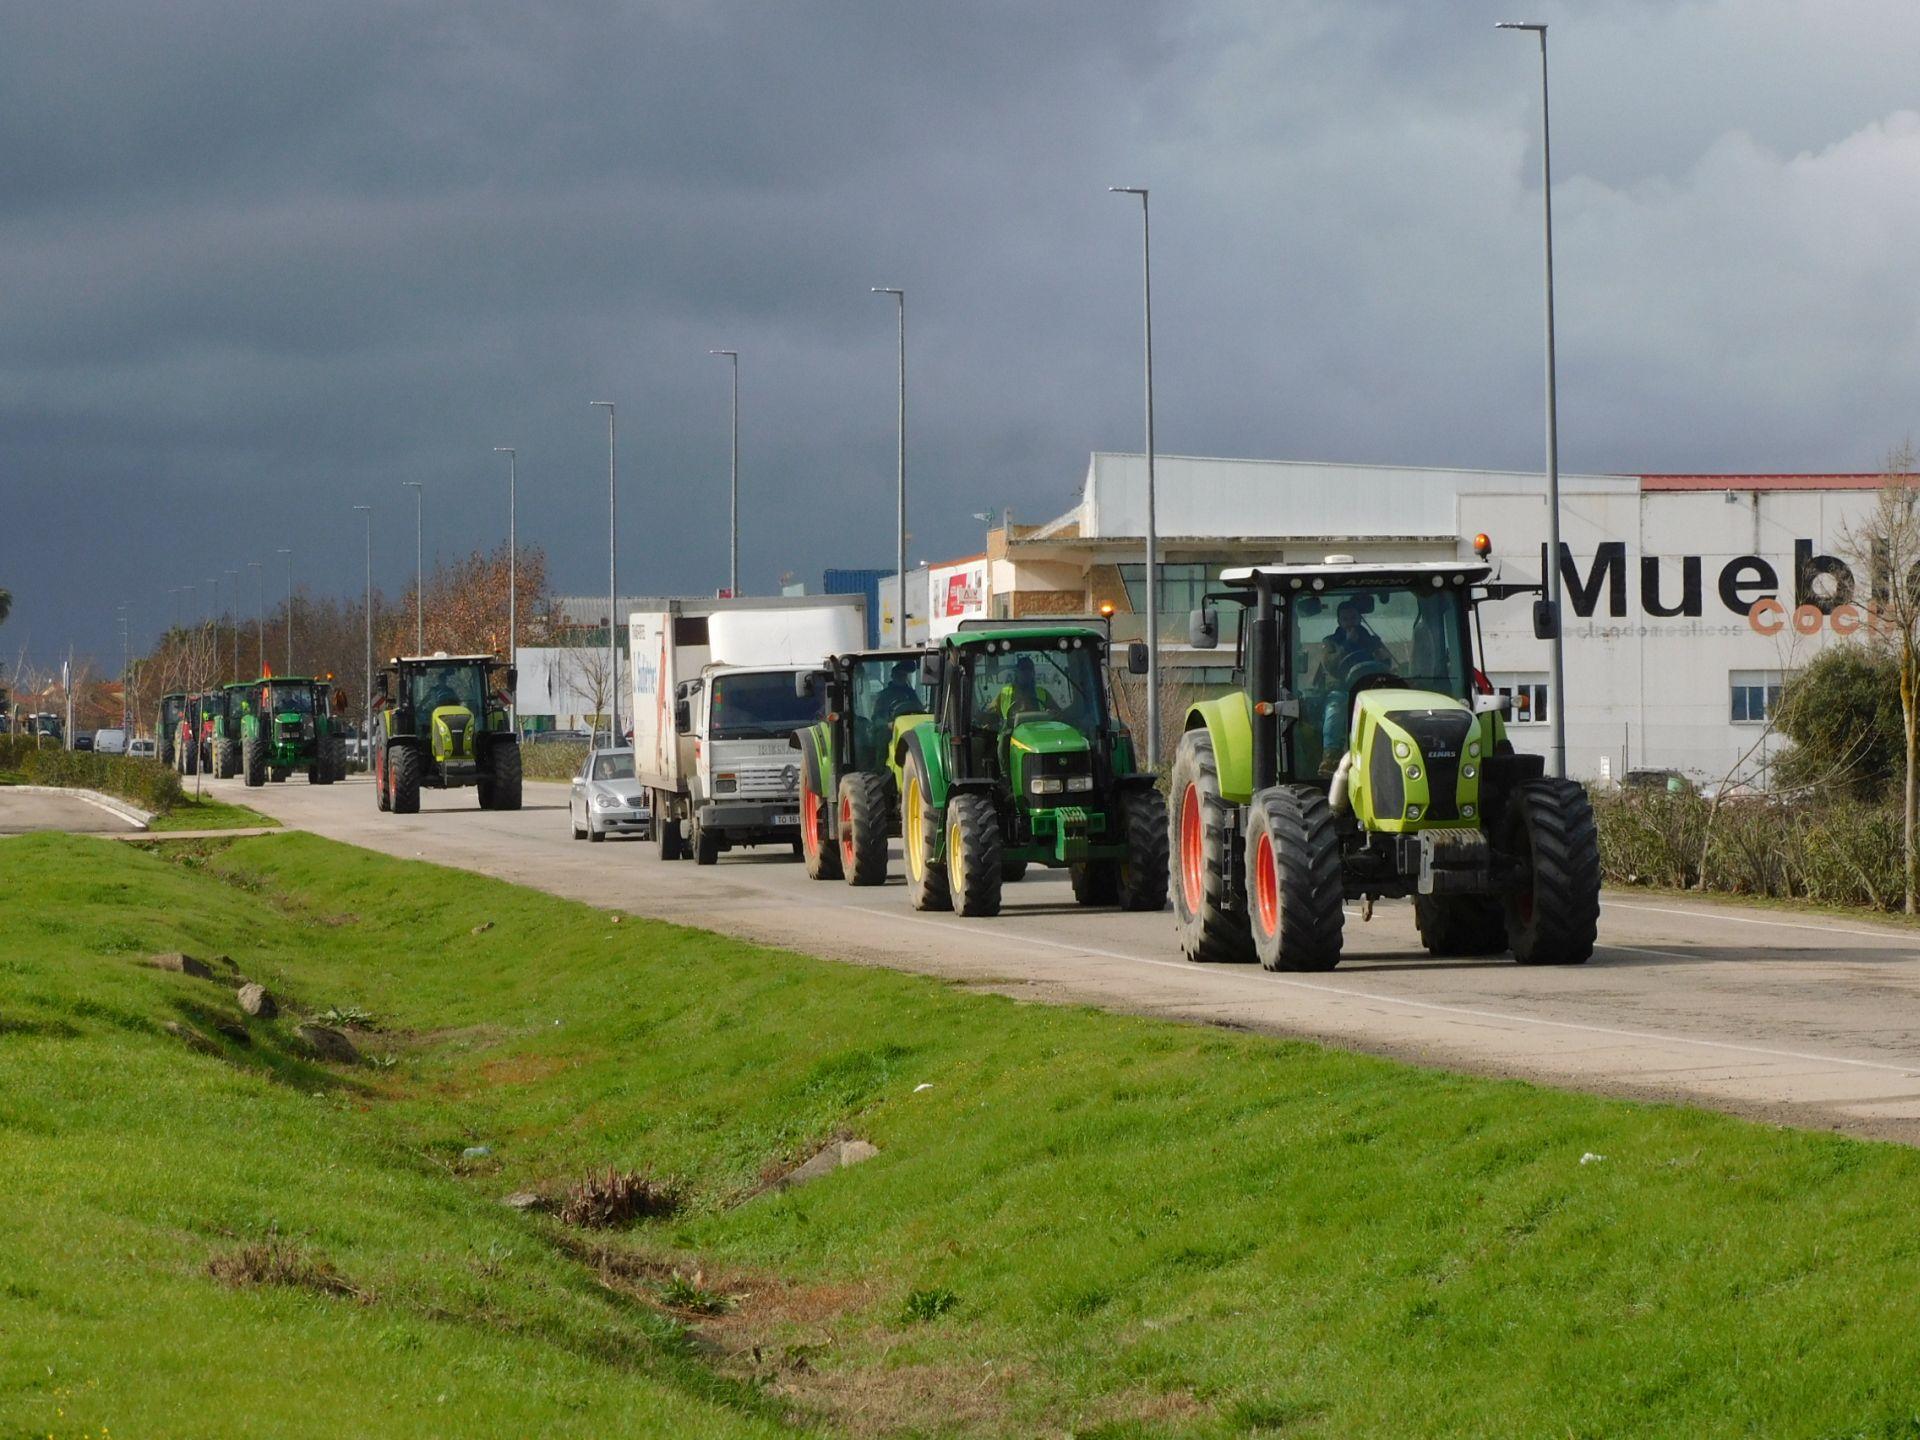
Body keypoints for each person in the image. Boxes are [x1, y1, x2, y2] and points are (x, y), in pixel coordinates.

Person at [1316, 600, 1393, 772]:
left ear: (1359, 619)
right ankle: (1331, 756)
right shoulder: (1330, 643)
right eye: (1345, 619)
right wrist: (1347, 644)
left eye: (1353, 618)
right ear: (1339, 622)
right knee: (1334, 708)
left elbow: (1387, 663)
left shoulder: (1373, 641)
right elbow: (1330, 665)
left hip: (1373, 689)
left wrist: (1379, 655)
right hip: (1342, 690)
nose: (1349, 622)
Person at [995, 655, 1058, 726]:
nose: (1026, 672)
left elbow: (1058, 714)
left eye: (1029, 669)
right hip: (1010, 733)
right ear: (1016, 673)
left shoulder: (1042, 693)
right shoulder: (1004, 694)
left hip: (1038, 731)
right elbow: (992, 715)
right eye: (1023, 669)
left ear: (1033, 673)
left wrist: (1051, 713)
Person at [870, 660, 921, 728]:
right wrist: (888, 724)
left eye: (903, 675)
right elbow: (875, 719)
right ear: (892, 676)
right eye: (898, 675)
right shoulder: (883, 696)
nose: (901, 678)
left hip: (911, 726)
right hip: (889, 731)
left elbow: (920, 710)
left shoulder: (911, 694)